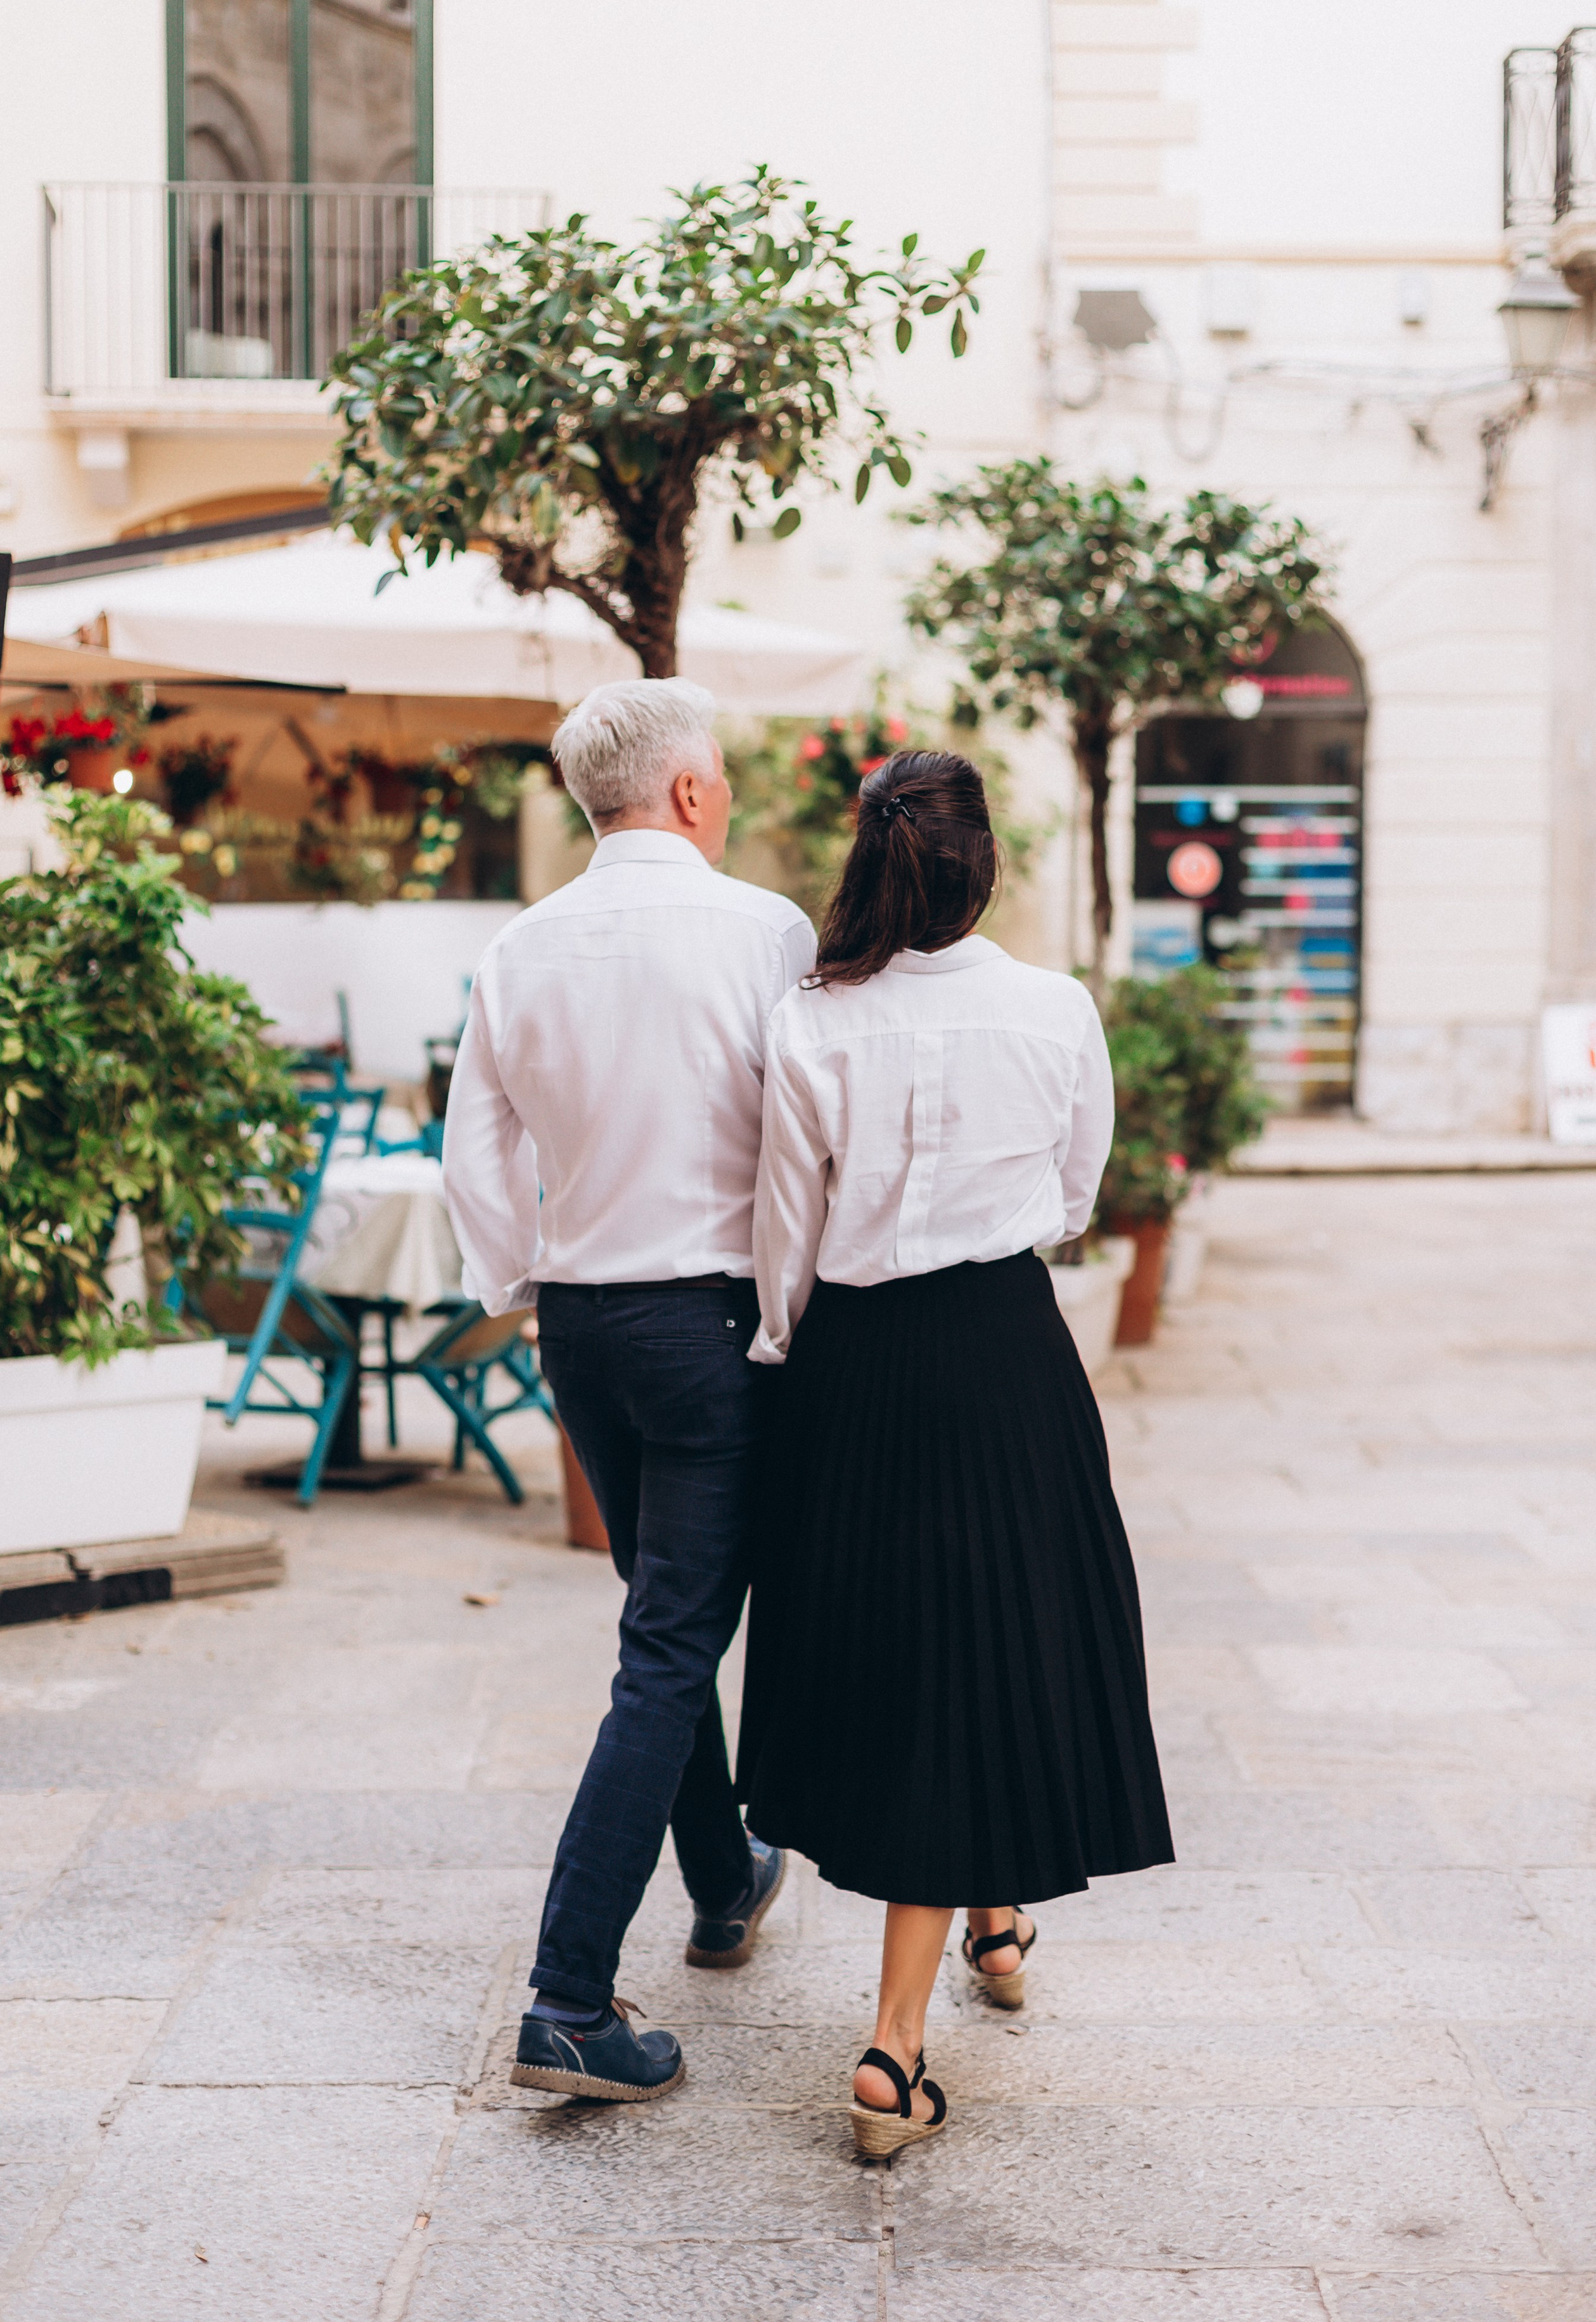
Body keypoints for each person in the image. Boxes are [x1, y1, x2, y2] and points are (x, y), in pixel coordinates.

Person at [737, 748, 1174, 2159]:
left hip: (856, 1366)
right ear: (981, 866)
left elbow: (785, 1237)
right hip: (1001, 1354)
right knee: (982, 1646)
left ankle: (994, 1919)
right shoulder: (1055, 1008)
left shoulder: (810, 1019)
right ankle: (892, 2046)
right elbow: (1074, 1196)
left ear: (869, 860)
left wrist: (786, 1354)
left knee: (906, 1657)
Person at [442, 677, 815, 2103]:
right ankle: (568, 1998)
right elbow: (805, 1139)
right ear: (687, 791)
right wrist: (795, 1307)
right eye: (720, 776)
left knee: (666, 1614)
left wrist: (520, 1279)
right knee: (668, 1646)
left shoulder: (520, 943)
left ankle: (723, 1880)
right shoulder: (765, 931)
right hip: (710, 1321)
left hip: (584, 1323)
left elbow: (475, 1150)